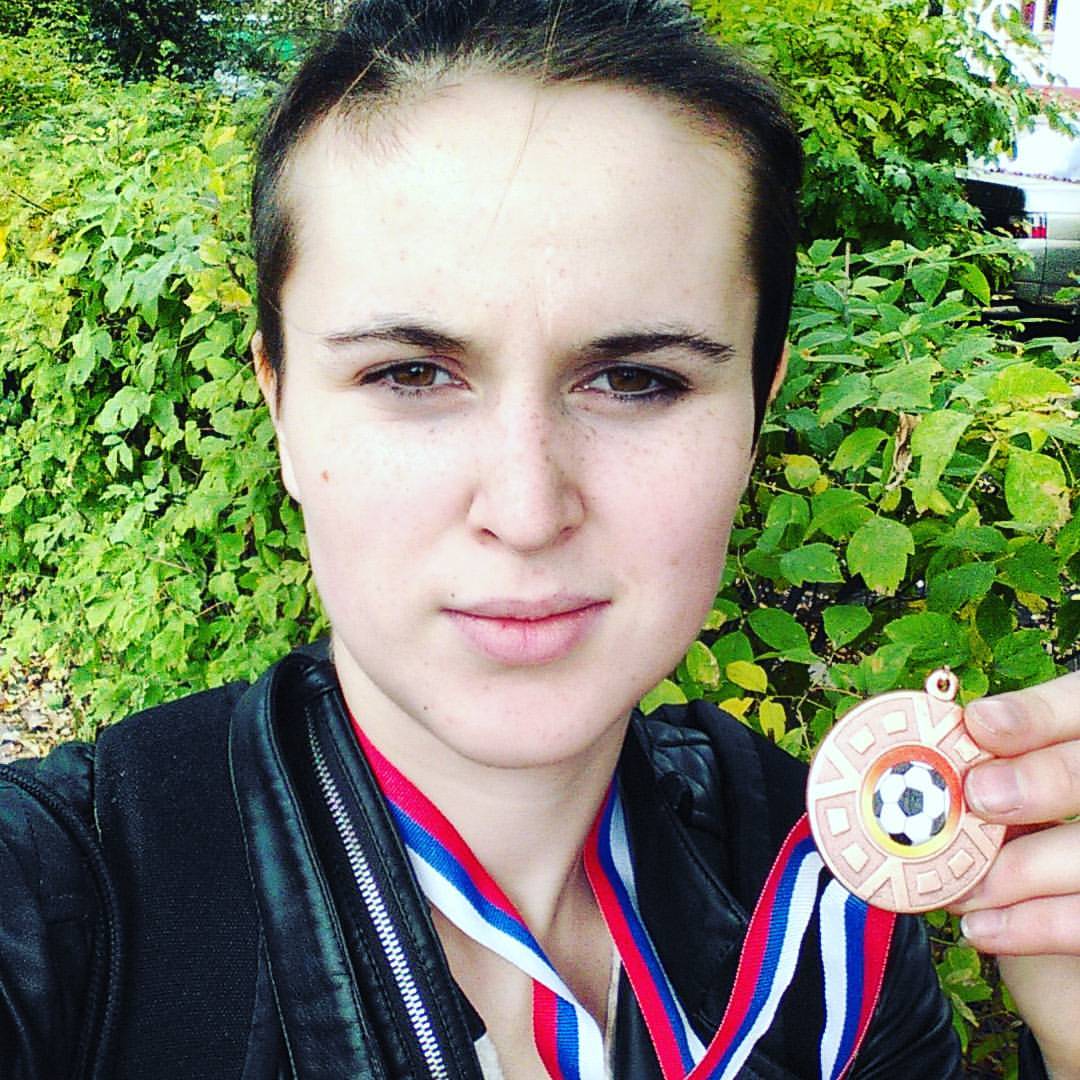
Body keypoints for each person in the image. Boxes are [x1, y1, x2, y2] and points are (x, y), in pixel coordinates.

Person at [1, 1, 1077, 1077]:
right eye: (410, 374)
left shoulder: (823, 893)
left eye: (636, 380)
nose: (525, 511)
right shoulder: (57, 906)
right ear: (280, 405)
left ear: (758, 410)